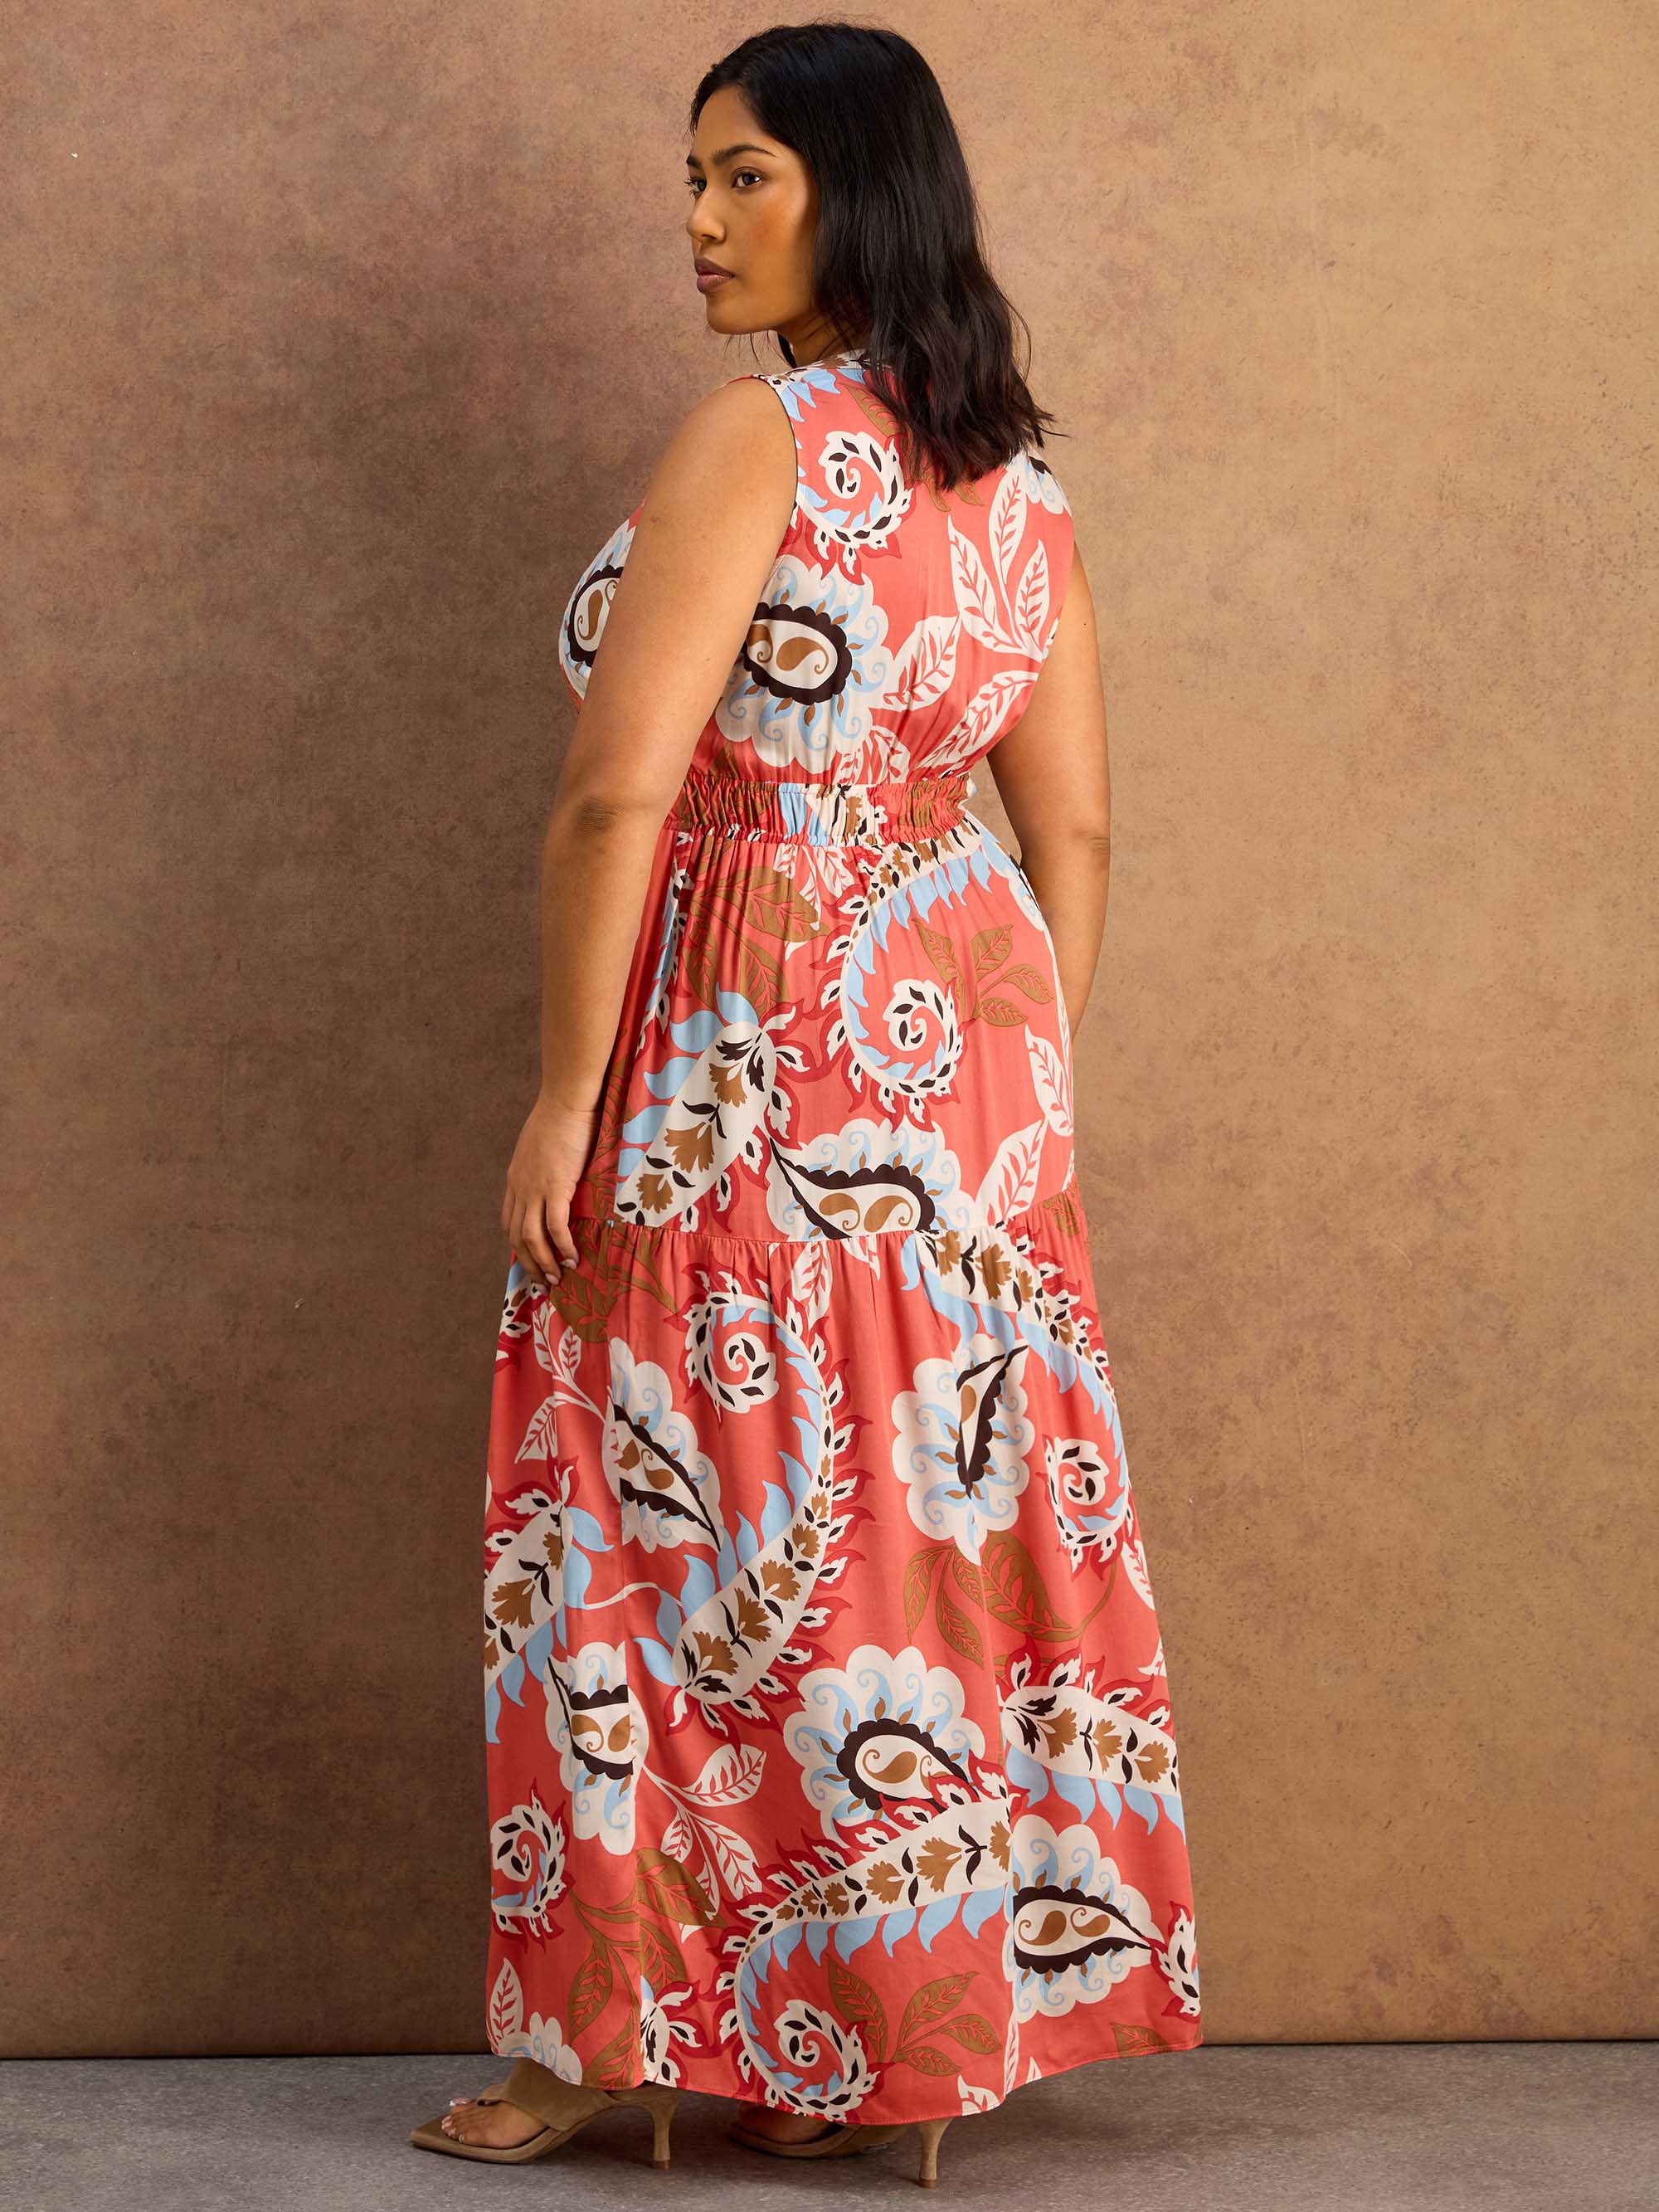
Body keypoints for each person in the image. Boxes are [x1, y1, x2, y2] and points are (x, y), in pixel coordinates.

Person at [411, 20, 1202, 2190]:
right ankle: (882, 2041)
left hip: (737, 1041)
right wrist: (1014, 1104)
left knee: (648, 1505)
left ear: (861, 190)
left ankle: (609, 2037)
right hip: (967, 1063)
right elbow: (1087, 838)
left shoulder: (757, 441)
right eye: (695, 174)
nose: (697, 218)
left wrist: (572, 1089)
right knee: (903, 1535)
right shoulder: (1021, 486)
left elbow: (618, 796)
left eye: (744, 175)